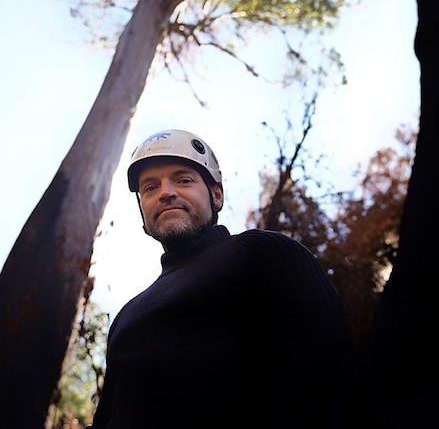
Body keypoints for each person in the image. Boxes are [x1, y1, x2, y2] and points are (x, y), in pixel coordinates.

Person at [88, 129, 355, 428]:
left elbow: (333, 376)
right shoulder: (127, 315)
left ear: (217, 194)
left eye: (183, 179)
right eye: (150, 188)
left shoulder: (264, 253)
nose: (165, 192)